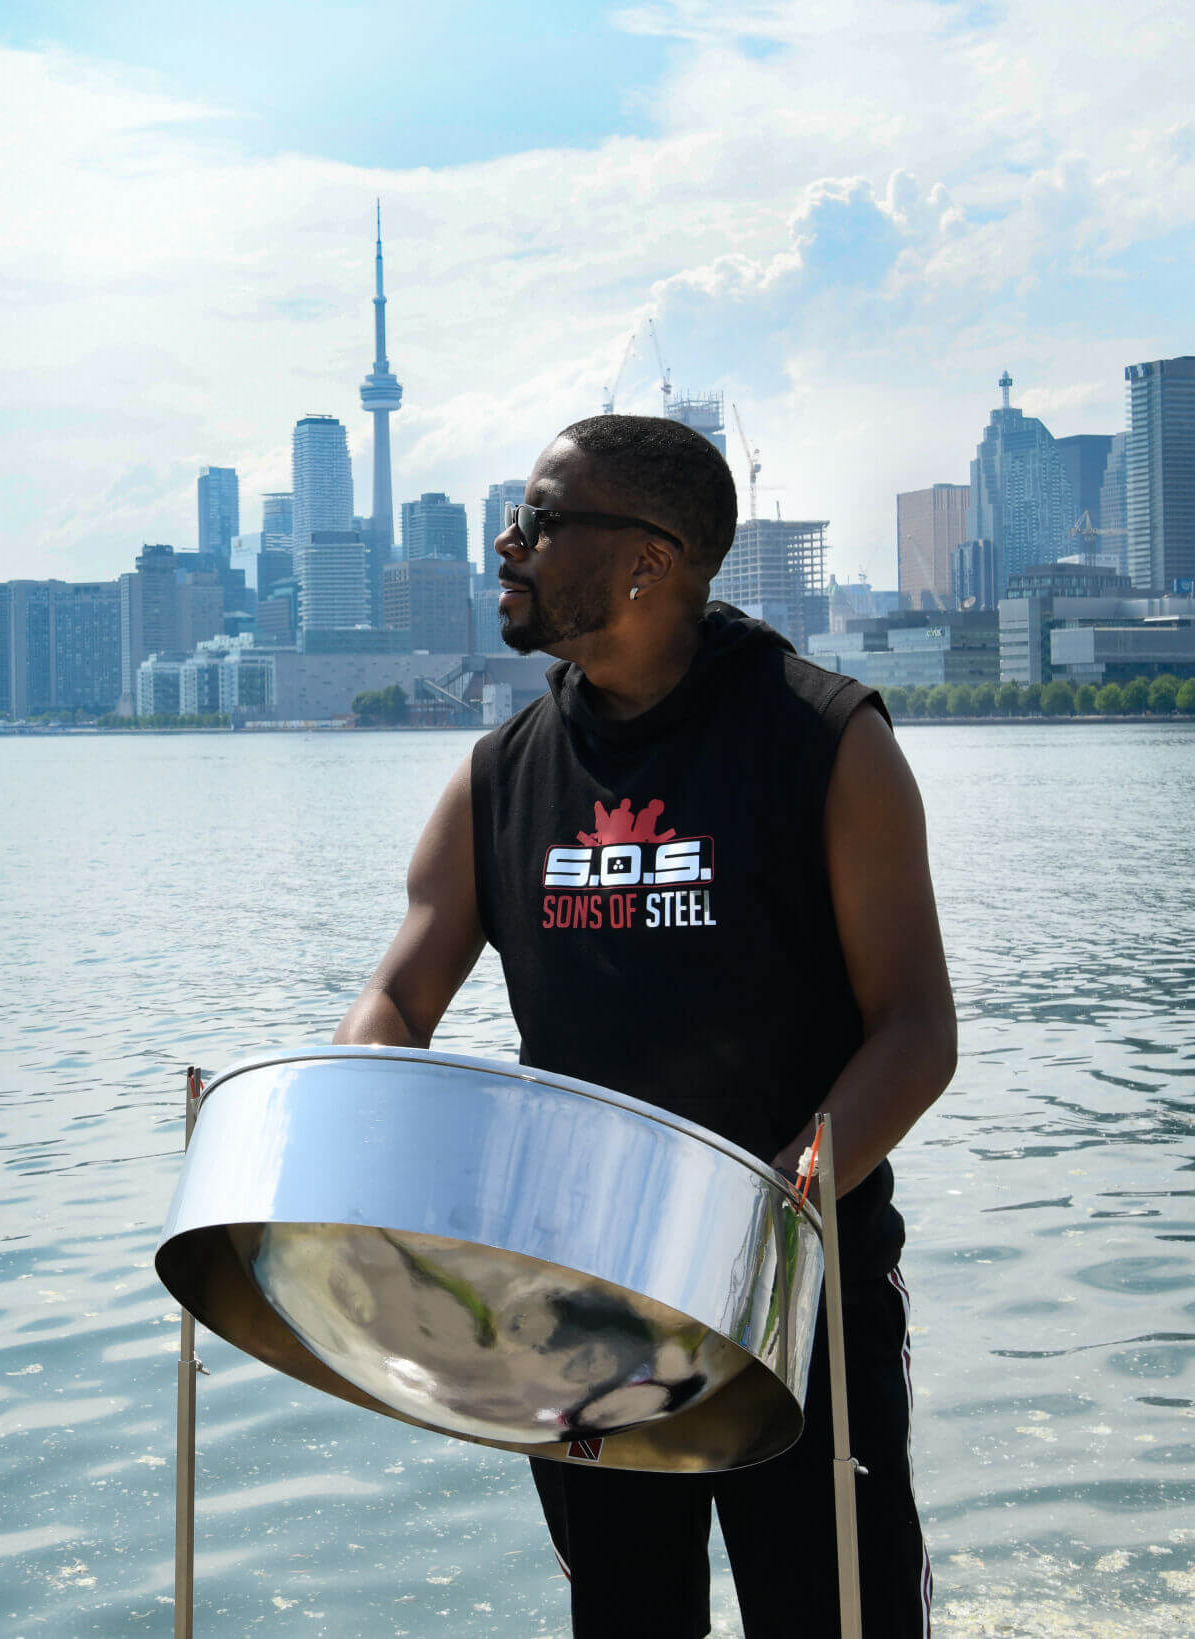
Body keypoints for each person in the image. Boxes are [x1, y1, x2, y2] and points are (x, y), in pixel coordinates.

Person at [333, 415, 955, 1638]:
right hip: (574, 1310)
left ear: (647, 560)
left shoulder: (827, 743)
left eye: (542, 517)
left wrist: (769, 1215)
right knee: (624, 1622)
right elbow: (399, 998)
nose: (507, 543)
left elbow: (913, 1030)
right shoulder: (497, 774)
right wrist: (364, 1136)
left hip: (794, 1289)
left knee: (836, 1615)